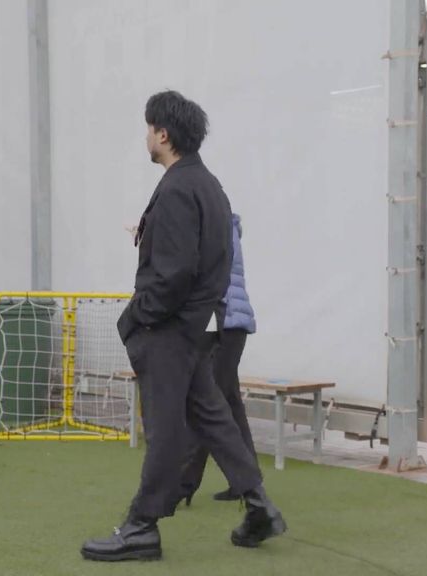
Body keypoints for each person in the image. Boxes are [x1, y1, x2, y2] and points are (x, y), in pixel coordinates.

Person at [81, 91, 286, 562]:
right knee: (214, 418)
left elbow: (173, 273)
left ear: (163, 134)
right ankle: (259, 506)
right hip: (193, 328)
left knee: (165, 429)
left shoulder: (177, 188)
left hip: (168, 331)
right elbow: (211, 263)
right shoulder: (210, 187)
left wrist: (138, 319)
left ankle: (141, 527)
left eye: (148, 128)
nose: (146, 136)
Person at [178, 213, 261, 504]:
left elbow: (200, 271)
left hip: (224, 323)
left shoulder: (216, 226)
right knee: (230, 404)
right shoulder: (224, 225)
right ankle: (248, 482)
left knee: (206, 404)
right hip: (229, 324)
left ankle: (183, 484)